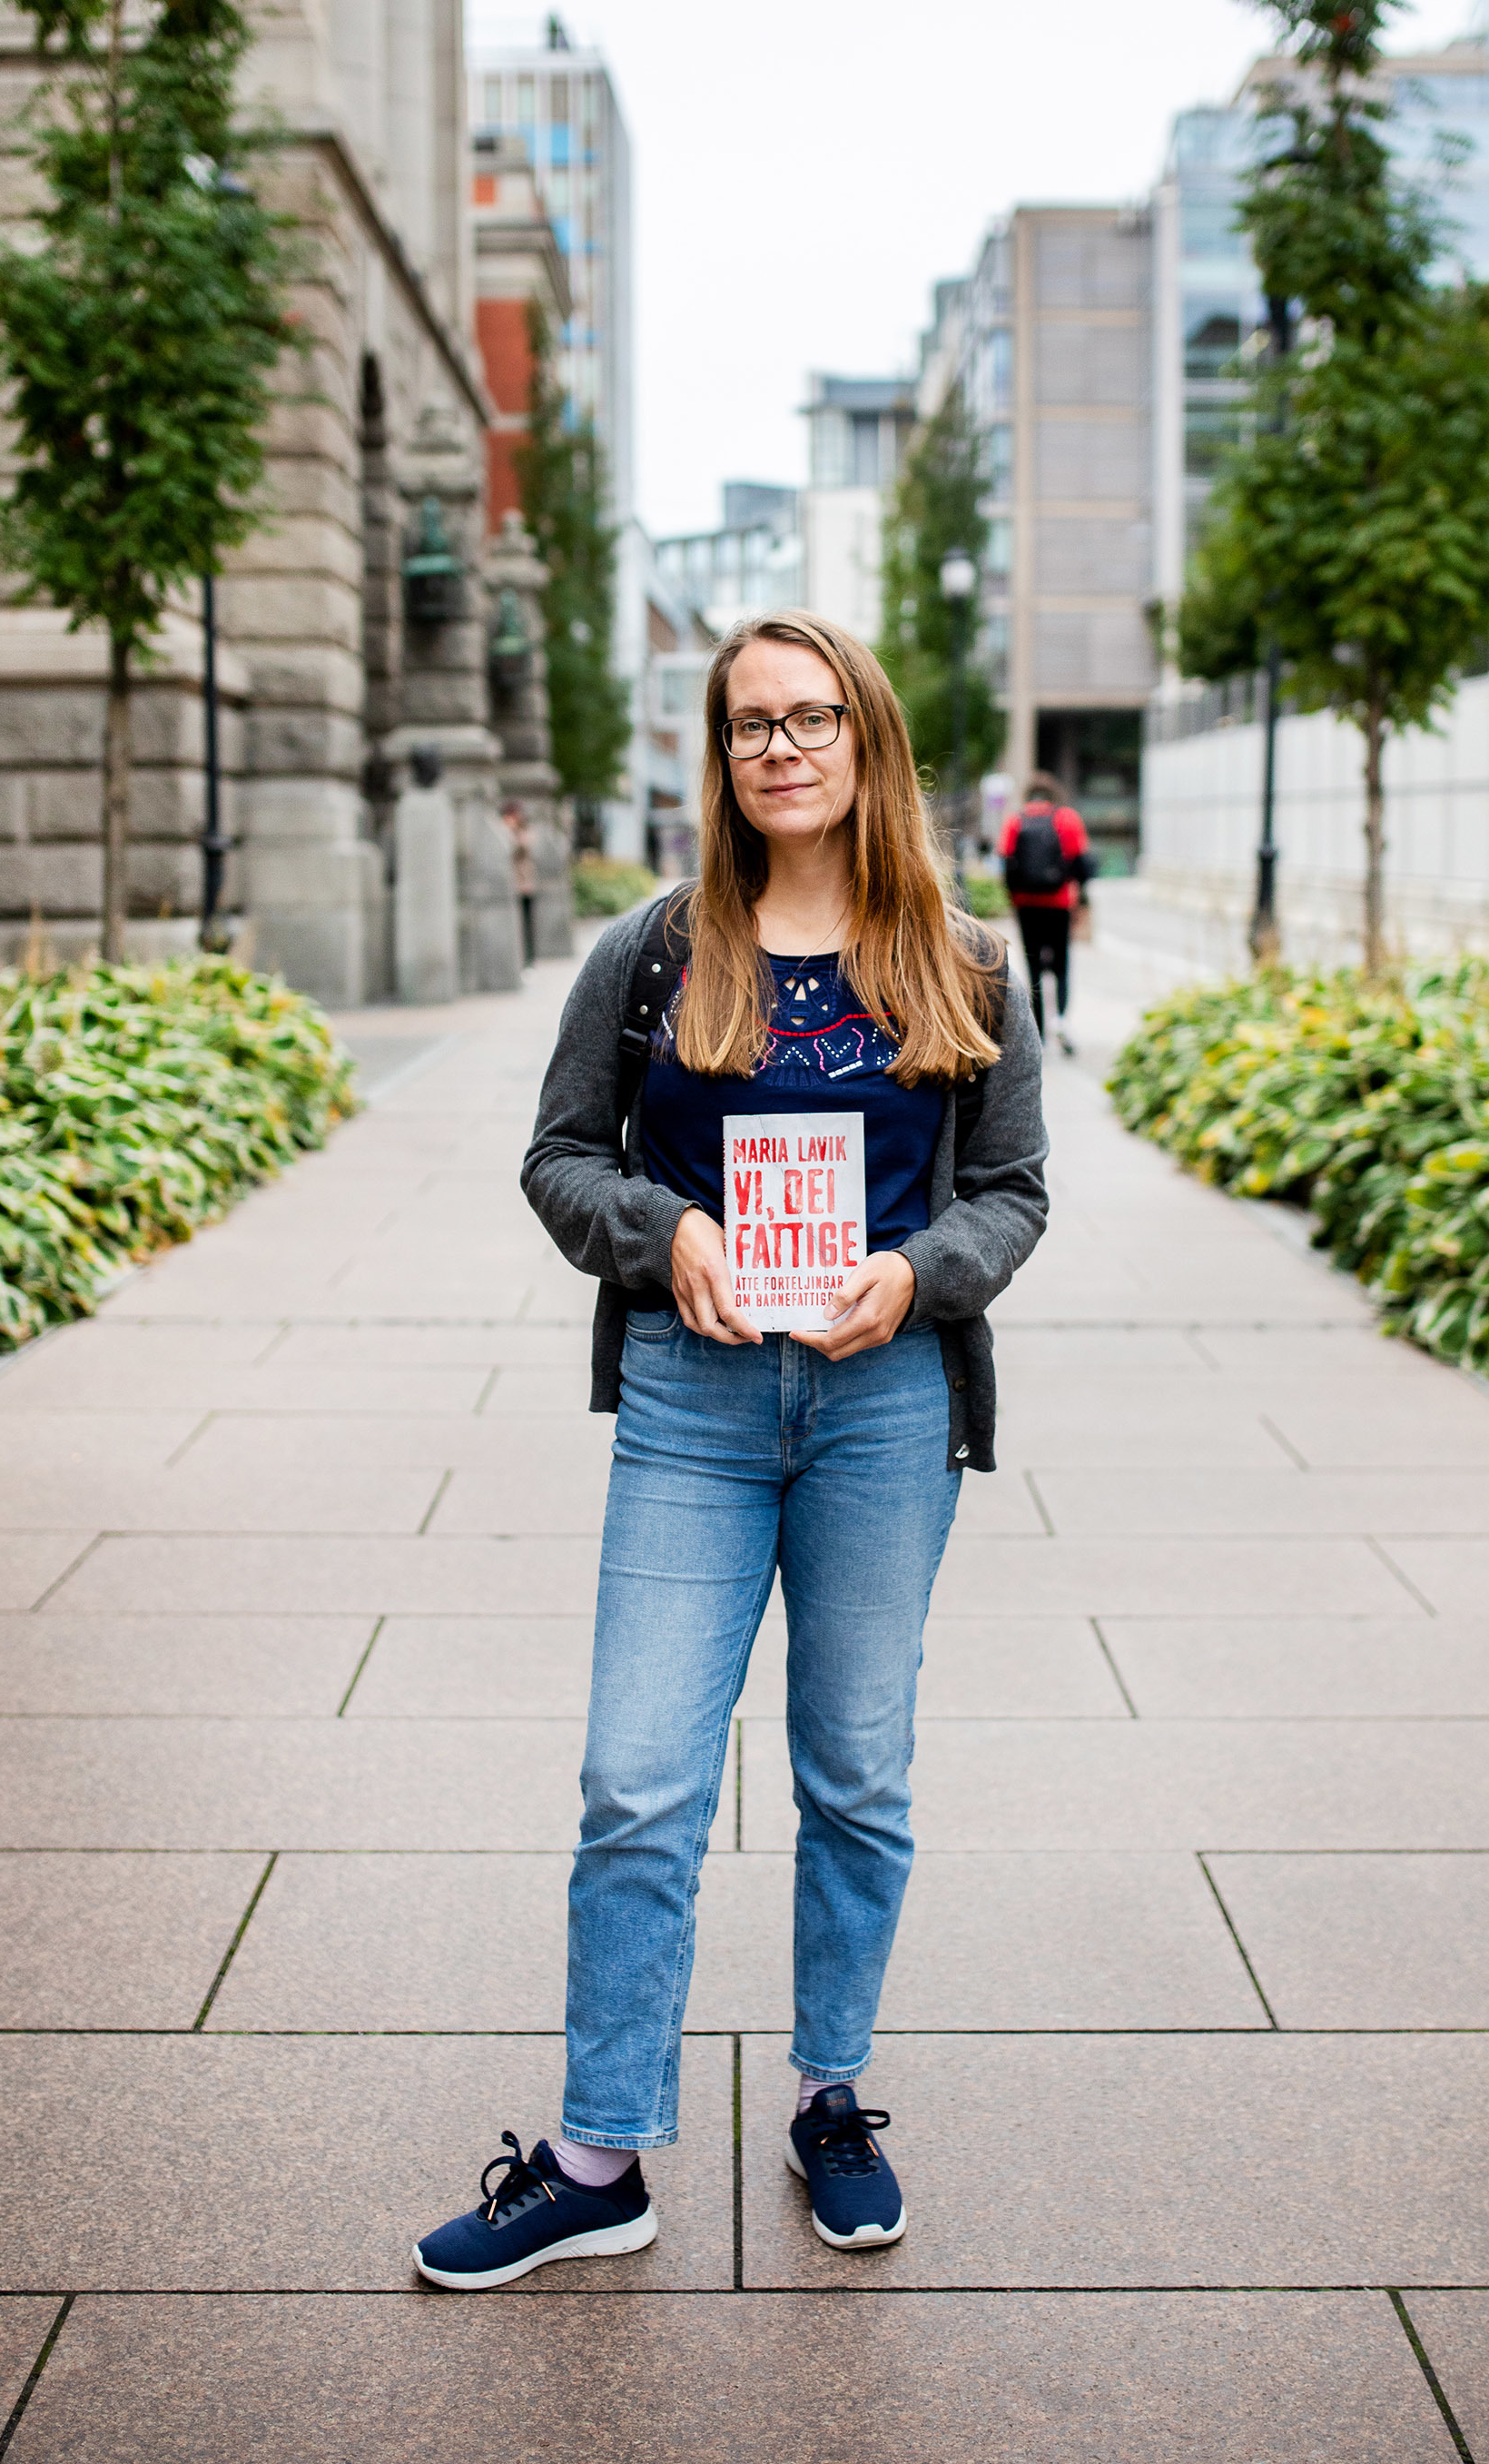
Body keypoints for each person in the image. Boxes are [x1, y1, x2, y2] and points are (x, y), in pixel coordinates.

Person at [411, 609, 1048, 2288]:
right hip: (695, 1410)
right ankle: (598, 2153)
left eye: (812, 717)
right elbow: (560, 1157)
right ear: (721, 754)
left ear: (866, 742)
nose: (780, 746)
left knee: (857, 1777)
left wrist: (920, 1272)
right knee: (637, 1781)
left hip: (885, 1405)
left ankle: (830, 2097)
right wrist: (657, 1232)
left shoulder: (965, 962)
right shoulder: (652, 957)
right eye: (750, 723)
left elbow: (1014, 1192)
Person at [1000, 772, 1092, 1056]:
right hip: (1060, 902)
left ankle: (1038, 1033)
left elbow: (1005, 861)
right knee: (1062, 964)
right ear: (1052, 796)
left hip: (1027, 905)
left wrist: (1013, 900)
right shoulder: (1067, 819)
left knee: (1033, 966)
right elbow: (1083, 862)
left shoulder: (1015, 821)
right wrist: (1080, 895)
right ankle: (1061, 1020)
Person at [502, 799, 537, 967]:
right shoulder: (503, 831)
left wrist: (516, 830)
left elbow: (525, 846)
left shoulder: (523, 830)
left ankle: (529, 959)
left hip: (525, 885)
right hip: (511, 887)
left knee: (527, 924)